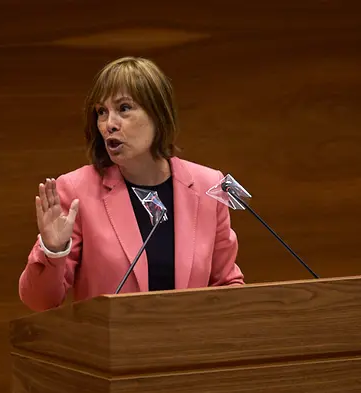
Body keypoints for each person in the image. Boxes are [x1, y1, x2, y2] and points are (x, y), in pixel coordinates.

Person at [18, 56, 244, 312]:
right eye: (102, 112)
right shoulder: (76, 191)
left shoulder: (208, 187)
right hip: (112, 349)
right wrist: (54, 250)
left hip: (188, 349)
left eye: (124, 108)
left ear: (158, 114)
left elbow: (226, 284)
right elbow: (40, 302)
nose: (109, 124)